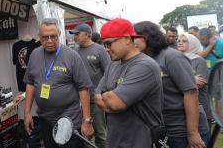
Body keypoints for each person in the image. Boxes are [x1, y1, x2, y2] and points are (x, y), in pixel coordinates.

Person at [134, 21, 209, 148]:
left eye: (134, 37)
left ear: (146, 37)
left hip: (182, 130)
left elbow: (191, 92)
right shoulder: (146, 59)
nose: (131, 42)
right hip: (164, 129)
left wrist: (193, 134)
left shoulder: (171, 56)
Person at [24, 18, 94, 148]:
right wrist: (27, 112)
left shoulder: (72, 56)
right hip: (46, 120)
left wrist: (87, 120)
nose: (49, 41)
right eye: (45, 37)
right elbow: (30, 83)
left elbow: (83, 89)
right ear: (39, 36)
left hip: (69, 120)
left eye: (53, 36)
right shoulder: (35, 55)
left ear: (59, 35)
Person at [94, 18, 164, 148]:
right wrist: (111, 99)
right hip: (114, 141)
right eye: (104, 44)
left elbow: (115, 103)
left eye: (109, 44)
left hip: (140, 142)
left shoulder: (145, 66)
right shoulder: (112, 64)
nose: (106, 49)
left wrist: (110, 98)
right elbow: (97, 97)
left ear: (127, 39)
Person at [69, 23, 110, 148]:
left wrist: (99, 92)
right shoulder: (73, 52)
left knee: (100, 133)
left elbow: (108, 72)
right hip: (78, 102)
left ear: (87, 34)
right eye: (74, 34)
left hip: (95, 100)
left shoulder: (99, 49)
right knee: (83, 133)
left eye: (77, 34)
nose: (75, 37)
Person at [177, 33, 213, 131]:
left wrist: (178, 80)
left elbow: (199, 84)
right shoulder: (176, 60)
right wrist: (192, 78)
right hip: (183, 107)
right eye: (179, 41)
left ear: (192, 43)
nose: (180, 43)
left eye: (184, 41)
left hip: (200, 106)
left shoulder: (199, 60)